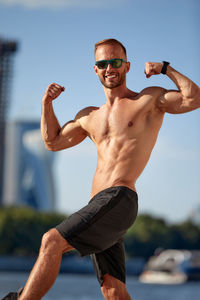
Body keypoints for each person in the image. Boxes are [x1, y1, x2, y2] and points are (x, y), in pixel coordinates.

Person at [16, 38, 200, 300]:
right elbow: (52, 142)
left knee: (51, 241)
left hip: (119, 198)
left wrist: (165, 68)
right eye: (103, 63)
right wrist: (47, 103)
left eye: (115, 62)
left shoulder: (147, 100)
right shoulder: (89, 116)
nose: (109, 68)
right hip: (100, 206)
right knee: (113, 291)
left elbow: (194, 98)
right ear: (96, 69)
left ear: (126, 66)